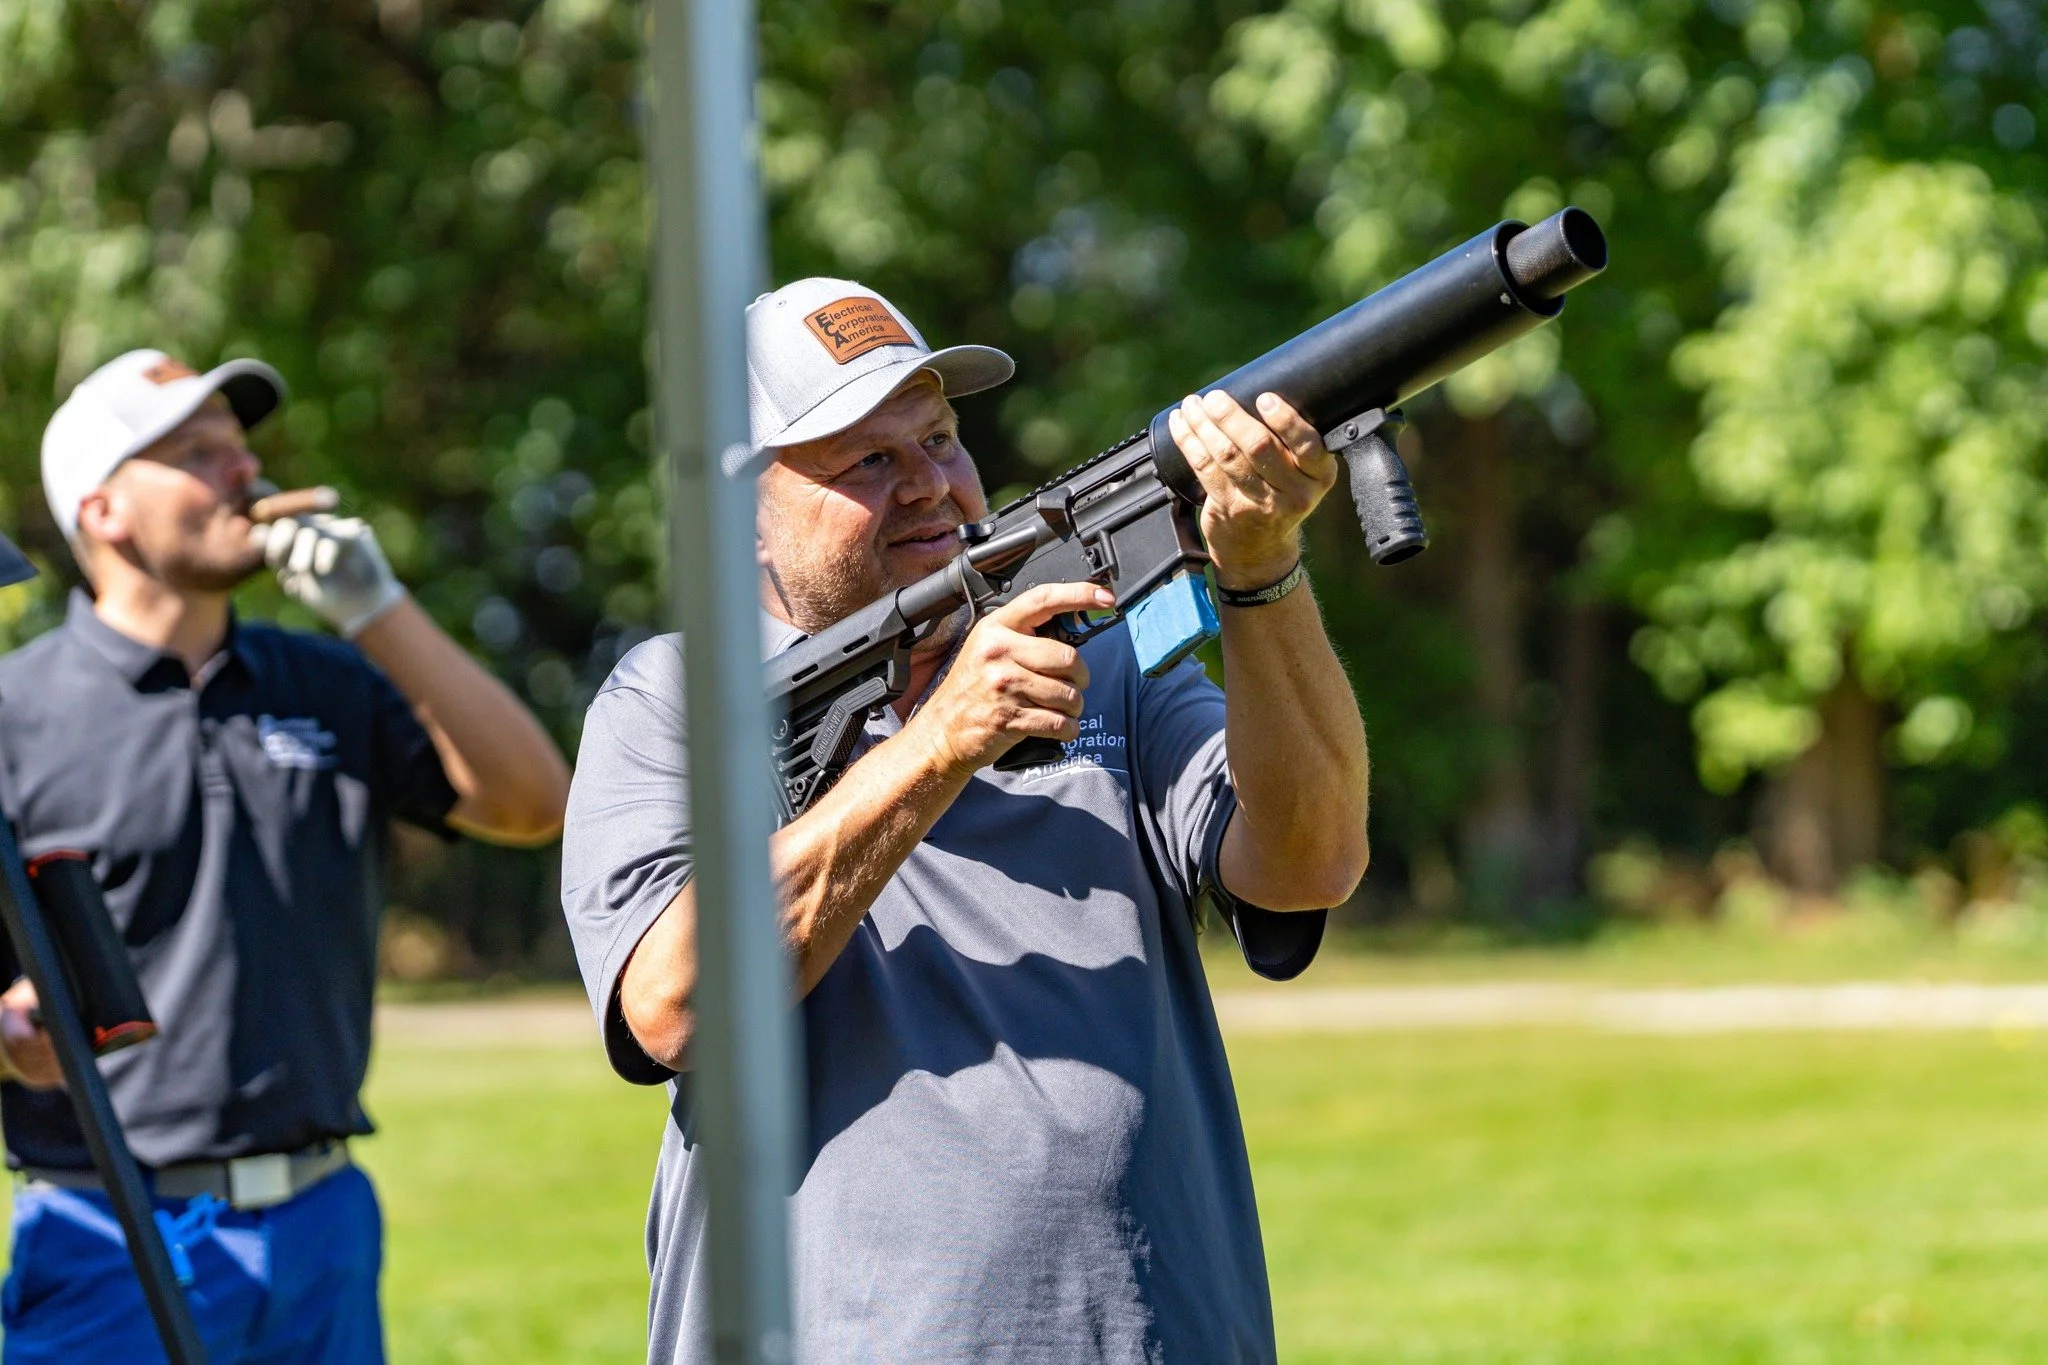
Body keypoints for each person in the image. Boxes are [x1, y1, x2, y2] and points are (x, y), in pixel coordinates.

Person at [562, 278, 1369, 1363]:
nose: (930, 487)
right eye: (867, 461)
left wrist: (1262, 575)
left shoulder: (1105, 662)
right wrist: (937, 745)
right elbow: (672, 1007)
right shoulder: (677, 702)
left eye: (939, 439)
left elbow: (1308, 862)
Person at [0, 349, 572, 1364]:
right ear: (103, 512)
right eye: (197, 455)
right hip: (109, 1233)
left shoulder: (324, 679)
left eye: (240, 449)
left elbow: (533, 804)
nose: (244, 474)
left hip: (322, 1225)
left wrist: (376, 610)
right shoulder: (16, 711)